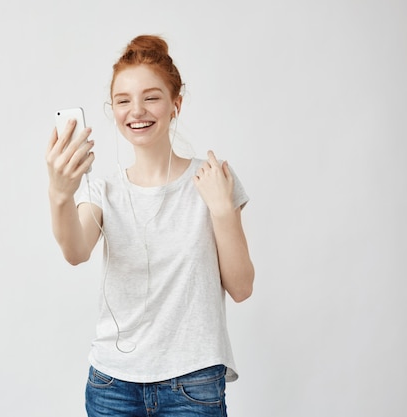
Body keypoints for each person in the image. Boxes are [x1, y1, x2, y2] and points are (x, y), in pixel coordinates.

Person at [45, 34, 254, 417]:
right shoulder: (102, 189)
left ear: (176, 104)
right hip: (112, 385)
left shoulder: (212, 179)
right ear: (113, 109)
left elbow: (241, 287)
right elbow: (76, 252)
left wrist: (221, 210)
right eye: (123, 100)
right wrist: (60, 194)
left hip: (194, 383)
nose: (136, 110)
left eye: (152, 97)